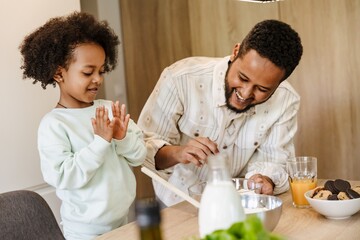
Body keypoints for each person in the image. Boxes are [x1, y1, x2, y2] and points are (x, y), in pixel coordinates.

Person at [138, 19, 303, 206]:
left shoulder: (285, 100)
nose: (246, 93)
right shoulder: (180, 78)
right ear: (235, 52)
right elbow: (141, 148)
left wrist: (265, 179)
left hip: (240, 206)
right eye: (242, 77)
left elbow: (276, 161)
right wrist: (179, 152)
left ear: (278, 84)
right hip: (176, 205)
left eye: (262, 89)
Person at [19, 12, 147, 239]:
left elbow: (138, 157)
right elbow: (64, 177)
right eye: (88, 72)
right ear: (59, 73)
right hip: (84, 233)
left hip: (123, 221)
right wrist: (100, 143)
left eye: (101, 71)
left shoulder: (109, 109)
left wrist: (121, 138)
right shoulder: (54, 125)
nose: (98, 79)